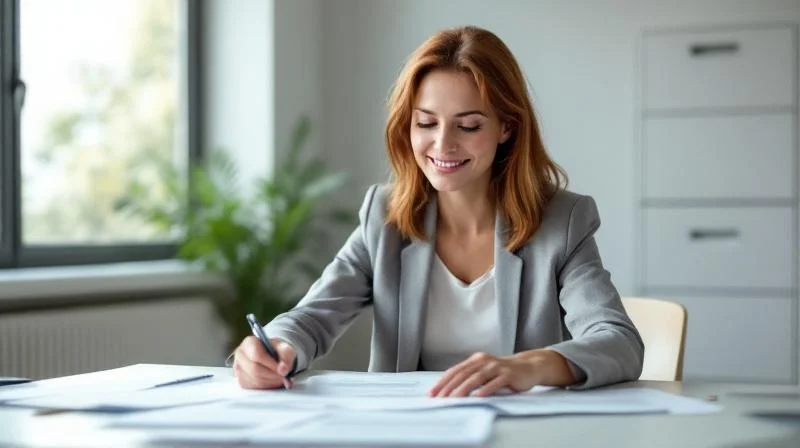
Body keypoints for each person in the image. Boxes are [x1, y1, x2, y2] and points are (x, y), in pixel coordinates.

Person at [232, 25, 644, 397]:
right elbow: (313, 316)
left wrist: (531, 365)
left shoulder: (562, 222)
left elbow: (618, 341)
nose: (442, 146)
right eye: (426, 123)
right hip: (411, 433)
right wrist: (277, 347)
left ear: (506, 128)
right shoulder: (385, 217)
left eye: (468, 126)